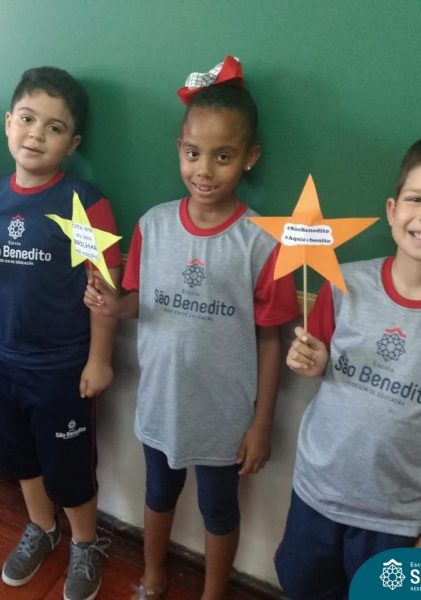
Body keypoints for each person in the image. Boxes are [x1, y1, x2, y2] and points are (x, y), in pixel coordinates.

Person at [85, 56, 299, 600]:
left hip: (225, 415)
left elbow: (270, 338)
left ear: (249, 158)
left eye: (223, 156)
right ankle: (153, 576)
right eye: (193, 153)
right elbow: (140, 303)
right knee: (158, 494)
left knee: (218, 508)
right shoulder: (153, 225)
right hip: (161, 404)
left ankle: (213, 592)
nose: (205, 170)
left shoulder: (261, 241)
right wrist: (114, 305)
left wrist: (261, 424)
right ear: (179, 148)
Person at [0, 66, 121, 600]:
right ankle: (42, 528)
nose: (36, 134)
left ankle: (86, 542)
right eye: (27, 119)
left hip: (62, 365)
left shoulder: (85, 202)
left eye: (54, 127)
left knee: (69, 467)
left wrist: (99, 359)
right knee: (21, 457)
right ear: (8, 123)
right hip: (3, 357)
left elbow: (102, 288)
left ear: (73, 143)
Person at [276, 137, 421, 599]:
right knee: (302, 586)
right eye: (417, 199)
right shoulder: (346, 284)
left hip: (399, 518)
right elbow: (319, 359)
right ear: (392, 209)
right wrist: (312, 361)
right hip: (318, 494)